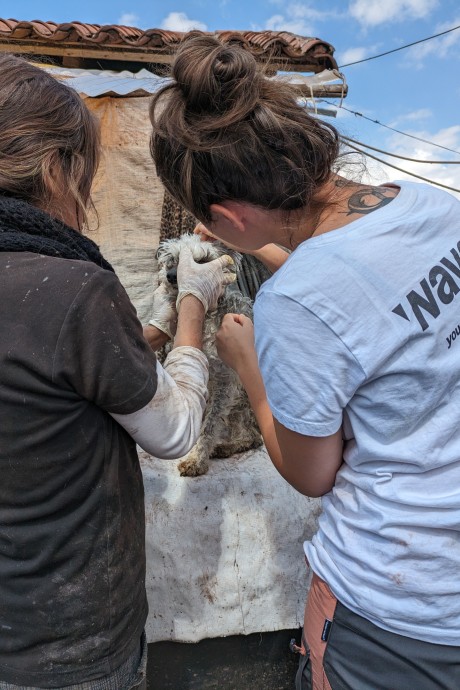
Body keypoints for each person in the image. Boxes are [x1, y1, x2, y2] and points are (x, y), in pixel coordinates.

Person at [149, 34, 460, 690]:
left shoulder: (295, 303)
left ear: (225, 216)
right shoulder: (433, 206)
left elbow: (311, 473)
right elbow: (360, 292)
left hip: (404, 608)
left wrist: (249, 366)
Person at [0, 54, 235, 689]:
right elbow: (175, 430)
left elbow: (51, 373)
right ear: (55, 168)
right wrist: (193, 306)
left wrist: (152, 327)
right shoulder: (73, 288)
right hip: (68, 643)